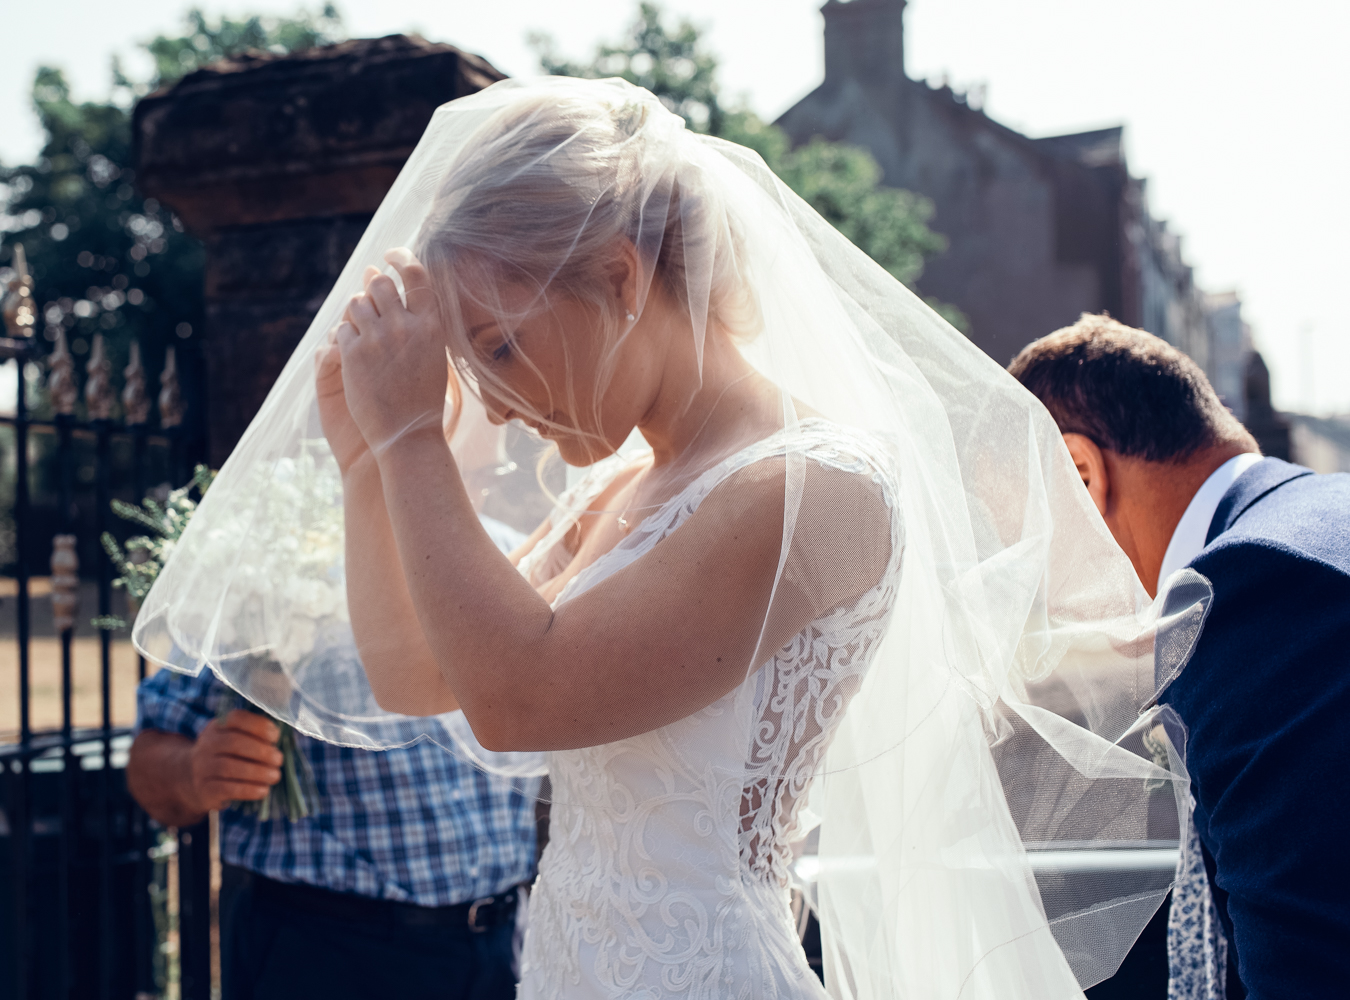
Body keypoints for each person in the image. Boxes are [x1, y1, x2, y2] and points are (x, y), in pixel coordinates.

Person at [135, 78, 1210, 999]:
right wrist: (370, 463)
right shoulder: (621, 486)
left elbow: (518, 700)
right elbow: (419, 673)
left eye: (501, 346)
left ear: (618, 275)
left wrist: (415, 432)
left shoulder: (812, 483)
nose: (494, 407)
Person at [126, 384, 540, 1000]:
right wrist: (194, 770)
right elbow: (149, 763)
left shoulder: (522, 556)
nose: (484, 483)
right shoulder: (281, 562)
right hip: (328, 953)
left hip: (505, 949)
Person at [1009, 313, 1350, 1000]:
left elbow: (1309, 965)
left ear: (1083, 473)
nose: (1031, 579)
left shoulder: (1251, 593)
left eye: (1022, 529)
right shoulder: (1317, 516)